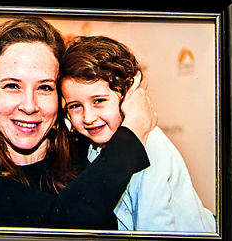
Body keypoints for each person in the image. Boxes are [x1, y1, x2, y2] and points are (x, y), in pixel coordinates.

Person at [0, 17, 157, 229]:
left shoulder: (90, 153)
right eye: (12, 86)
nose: (29, 106)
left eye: (45, 87)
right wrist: (133, 130)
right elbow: (59, 227)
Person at [59, 35, 217, 233]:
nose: (88, 117)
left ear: (129, 94)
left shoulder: (149, 145)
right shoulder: (92, 147)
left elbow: (156, 227)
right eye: (75, 106)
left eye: (99, 101)